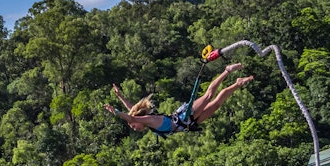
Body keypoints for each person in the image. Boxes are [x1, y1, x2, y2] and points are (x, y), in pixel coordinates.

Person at [104, 63, 254, 137]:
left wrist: (116, 112)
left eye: (133, 126)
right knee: (215, 105)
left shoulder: (147, 119)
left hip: (185, 115)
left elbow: (130, 115)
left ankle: (227, 70)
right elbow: (132, 109)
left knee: (208, 96)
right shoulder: (147, 123)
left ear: (138, 120)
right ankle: (237, 83)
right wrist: (120, 97)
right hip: (189, 123)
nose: (134, 128)